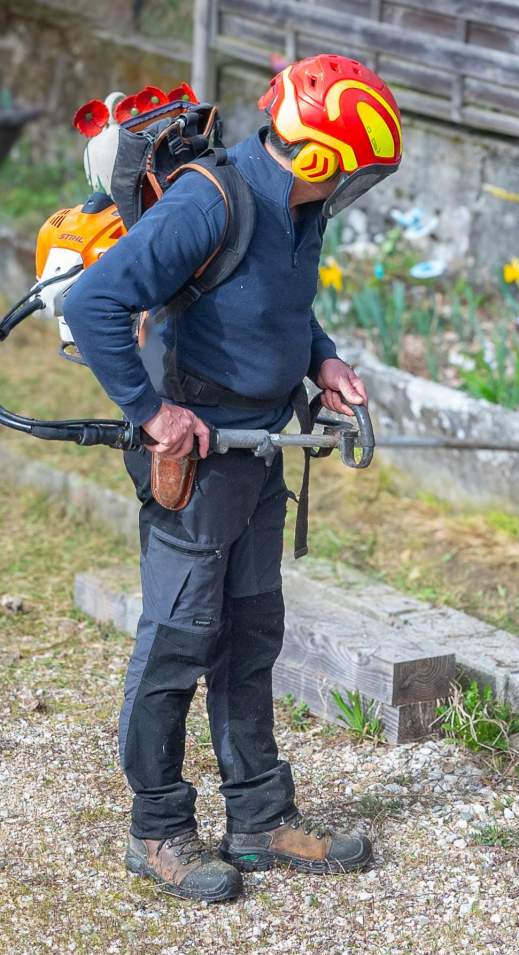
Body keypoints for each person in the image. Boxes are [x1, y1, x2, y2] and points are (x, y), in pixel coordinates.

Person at [62, 53, 403, 902]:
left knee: (251, 634)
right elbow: (93, 304)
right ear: (317, 157)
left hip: (259, 448)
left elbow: (281, 301)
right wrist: (153, 413)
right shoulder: (208, 202)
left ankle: (258, 816)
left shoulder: (300, 206)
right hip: (195, 455)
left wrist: (323, 362)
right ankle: (157, 829)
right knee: (178, 639)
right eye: (349, 170)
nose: (351, 186)